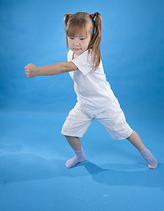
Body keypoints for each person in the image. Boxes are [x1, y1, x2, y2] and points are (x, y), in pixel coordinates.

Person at [25, 12, 158, 169]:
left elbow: (64, 67)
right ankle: (80, 156)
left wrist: (37, 70)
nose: (76, 43)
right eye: (72, 38)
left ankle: (147, 155)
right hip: (84, 104)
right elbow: (67, 64)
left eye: (82, 39)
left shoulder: (90, 55)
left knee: (126, 132)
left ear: (92, 37)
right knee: (68, 132)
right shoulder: (71, 53)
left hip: (105, 105)